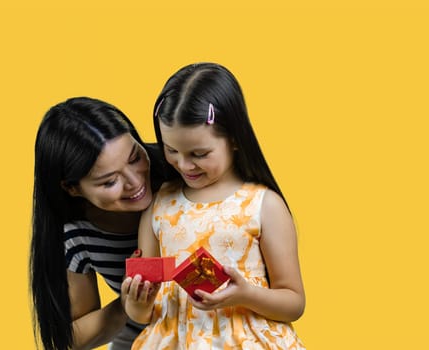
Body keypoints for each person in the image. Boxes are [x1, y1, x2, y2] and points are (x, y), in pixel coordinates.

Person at [122, 63, 306, 349]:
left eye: (199, 153)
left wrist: (244, 295)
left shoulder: (263, 204)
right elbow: (144, 314)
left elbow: (293, 302)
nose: (183, 164)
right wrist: (136, 303)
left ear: (233, 138)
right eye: (171, 150)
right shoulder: (159, 205)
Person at [30, 97, 173, 350]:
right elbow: (71, 338)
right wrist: (128, 306)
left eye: (134, 157)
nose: (135, 182)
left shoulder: (182, 167)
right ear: (72, 188)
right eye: (109, 181)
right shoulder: (76, 234)